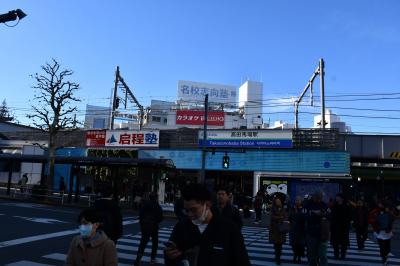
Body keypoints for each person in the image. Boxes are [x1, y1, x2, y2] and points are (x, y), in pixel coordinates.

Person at [164, 183, 250, 266]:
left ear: (207, 205)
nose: (190, 214)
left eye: (194, 210)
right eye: (187, 210)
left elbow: (242, 261)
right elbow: (171, 259)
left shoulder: (229, 229)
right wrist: (170, 256)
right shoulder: (181, 227)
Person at [134, 193, 164, 266]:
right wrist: (156, 221)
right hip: (154, 226)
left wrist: (142, 225)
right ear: (156, 198)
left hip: (145, 226)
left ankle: (138, 258)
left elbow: (140, 215)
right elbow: (160, 217)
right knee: (155, 242)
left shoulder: (145, 205)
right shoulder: (157, 206)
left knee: (143, 243)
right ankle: (152, 259)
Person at [368, 200, 397, 265]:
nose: (380, 205)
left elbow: (394, 218)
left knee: (387, 246)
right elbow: (370, 219)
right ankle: (384, 258)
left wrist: (389, 212)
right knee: (381, 246)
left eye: (381, 204)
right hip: (379, 231)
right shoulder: (375, 211)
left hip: (387, 231)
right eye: (379, 204)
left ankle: (386, 255)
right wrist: (375, 220)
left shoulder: (388, 211)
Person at [304, 190, 329, 266]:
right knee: (312, 255)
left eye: (319, 197)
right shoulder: (308, 204)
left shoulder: (324, 205)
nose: (318, 199)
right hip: (311, 232)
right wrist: (314, 213)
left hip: (322, 233)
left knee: (322, 254)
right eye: (316, 197)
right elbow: (304, 215)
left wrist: (321, 214)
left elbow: (329, 215)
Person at [329, 193, 352, 260]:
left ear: (342, 198)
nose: (336, 198)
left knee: (343, 242)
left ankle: (343, 255)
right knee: (335, 242)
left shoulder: (347, 206)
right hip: (335, 226)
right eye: (336, 197)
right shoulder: (334, 206)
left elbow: (349, 216)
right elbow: (332, 215)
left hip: (343, 226)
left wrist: (348, 224)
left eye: (338, 197)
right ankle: (336, 254)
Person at [269, 197, 288, 265]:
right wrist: (280, 217)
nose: (278, 202)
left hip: (281, 229)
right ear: (275, 202)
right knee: (276, 244)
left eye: (279, 201)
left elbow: (285, 216)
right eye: (277, 201)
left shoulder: (283, 208)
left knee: (280, 244)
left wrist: (282, 218)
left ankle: (278, 256)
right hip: (275, 229)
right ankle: (277, 257)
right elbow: (272, 217)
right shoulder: (273, 208)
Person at [289, 196, 306, 264]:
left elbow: (304, 218)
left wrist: (297, 213)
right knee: (294, 244)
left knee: (300, 245)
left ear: (301, 201)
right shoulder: (292, 208)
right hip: (293, 229)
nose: (297, 201)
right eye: (296, 200)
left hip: (301, 230)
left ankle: (298, 257)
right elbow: (290, 217)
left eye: (298, 200)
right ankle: (295, 255)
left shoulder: (303, 209)